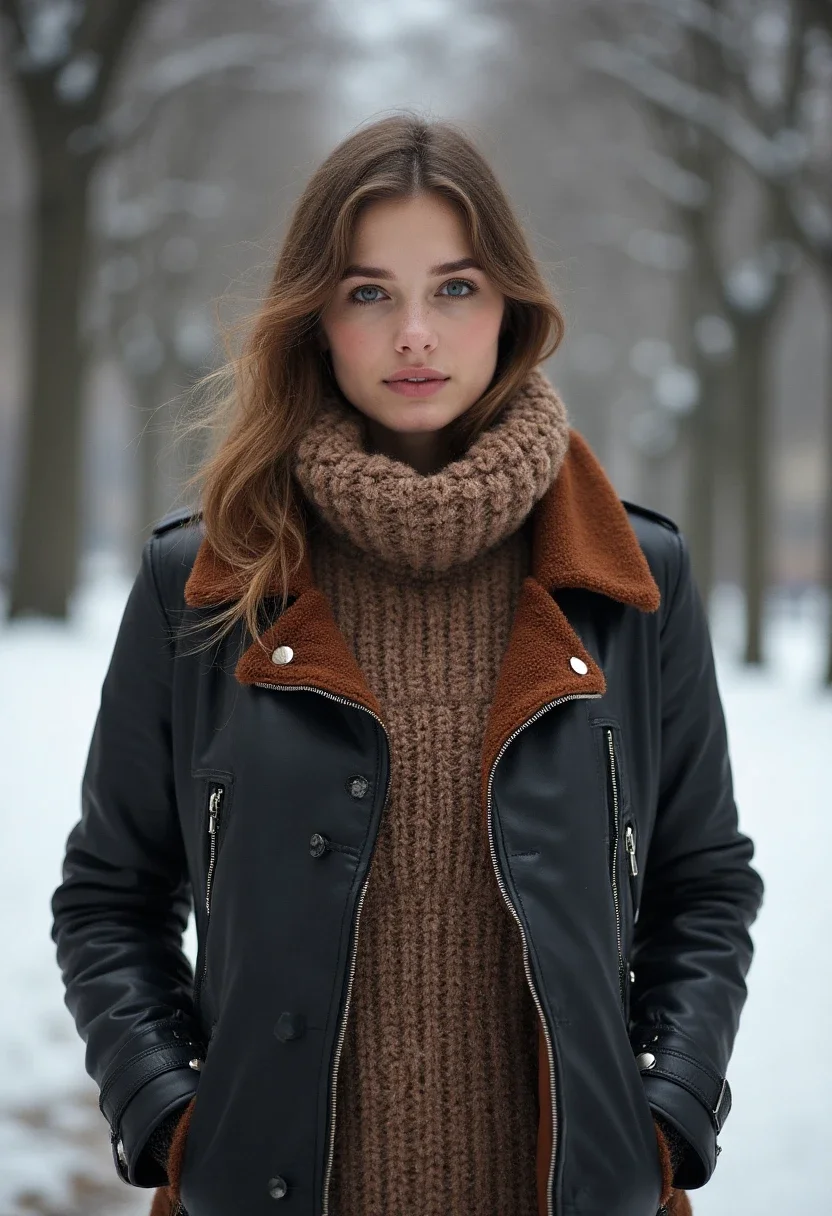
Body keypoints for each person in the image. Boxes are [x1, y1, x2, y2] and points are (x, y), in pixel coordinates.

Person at [51, 113, 764, 1216]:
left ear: (511, 306)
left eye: (456, 288)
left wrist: (664, 1114)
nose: (416, 334)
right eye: (370, 292)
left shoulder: (632, 581)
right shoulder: (202, 585)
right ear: (317, 318)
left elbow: (704, 885)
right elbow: (110, 897)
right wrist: (169, 1112)